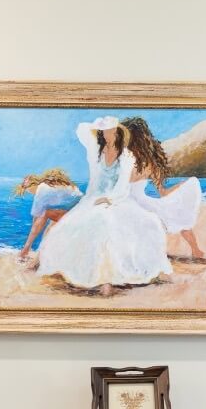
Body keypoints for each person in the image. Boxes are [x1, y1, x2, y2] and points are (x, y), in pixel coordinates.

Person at [36, 116, 171, 297]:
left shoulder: (126, 155)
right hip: (95, 197)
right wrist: (98, 124)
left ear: (117, 133)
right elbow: (81, 129)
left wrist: (110, 199)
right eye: (104, 131)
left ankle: (107, 281)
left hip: (118, 198)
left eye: (111, 131)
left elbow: (123, 184)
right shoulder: (97, 153)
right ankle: (92, 275)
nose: (108, 135)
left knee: (109, 223)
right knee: (73, 225)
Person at [121, 115, 206, 261]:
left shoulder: (123, 161)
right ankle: (196, 250)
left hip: (130, 203)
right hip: (139, 203)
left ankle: (195, 250)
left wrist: (181, 186)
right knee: (176, 214)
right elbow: (163, 193)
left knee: (174, 214)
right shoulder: (149, 164)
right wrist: (180, 187)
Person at [13, 170, 82, 260]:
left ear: (33, 185)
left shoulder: (42, 188)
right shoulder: (52, 186)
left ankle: (25, 251)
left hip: (77, 214)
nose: (31, 193)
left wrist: (29, 239)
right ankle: (40, 255)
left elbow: (36, 216)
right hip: (79, 212)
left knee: (46, 214)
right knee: (50, 223)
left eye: (29, 190)